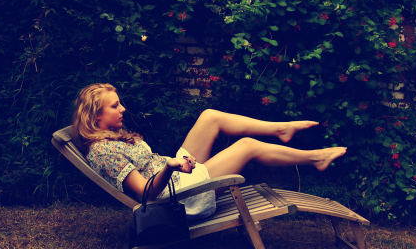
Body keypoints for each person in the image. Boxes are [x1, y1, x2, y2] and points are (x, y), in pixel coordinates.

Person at [72, 83, 346, 219]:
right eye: (115, 106)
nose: (123, 109)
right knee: (247, 146)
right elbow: (146, 193)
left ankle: (280, 129)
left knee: (210, 116)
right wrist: (170, 166)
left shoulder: (111, 138)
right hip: (176, 198)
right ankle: (316, 157)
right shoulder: (102, 152)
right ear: (96, 115)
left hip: (175, 174)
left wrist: (172, 164)